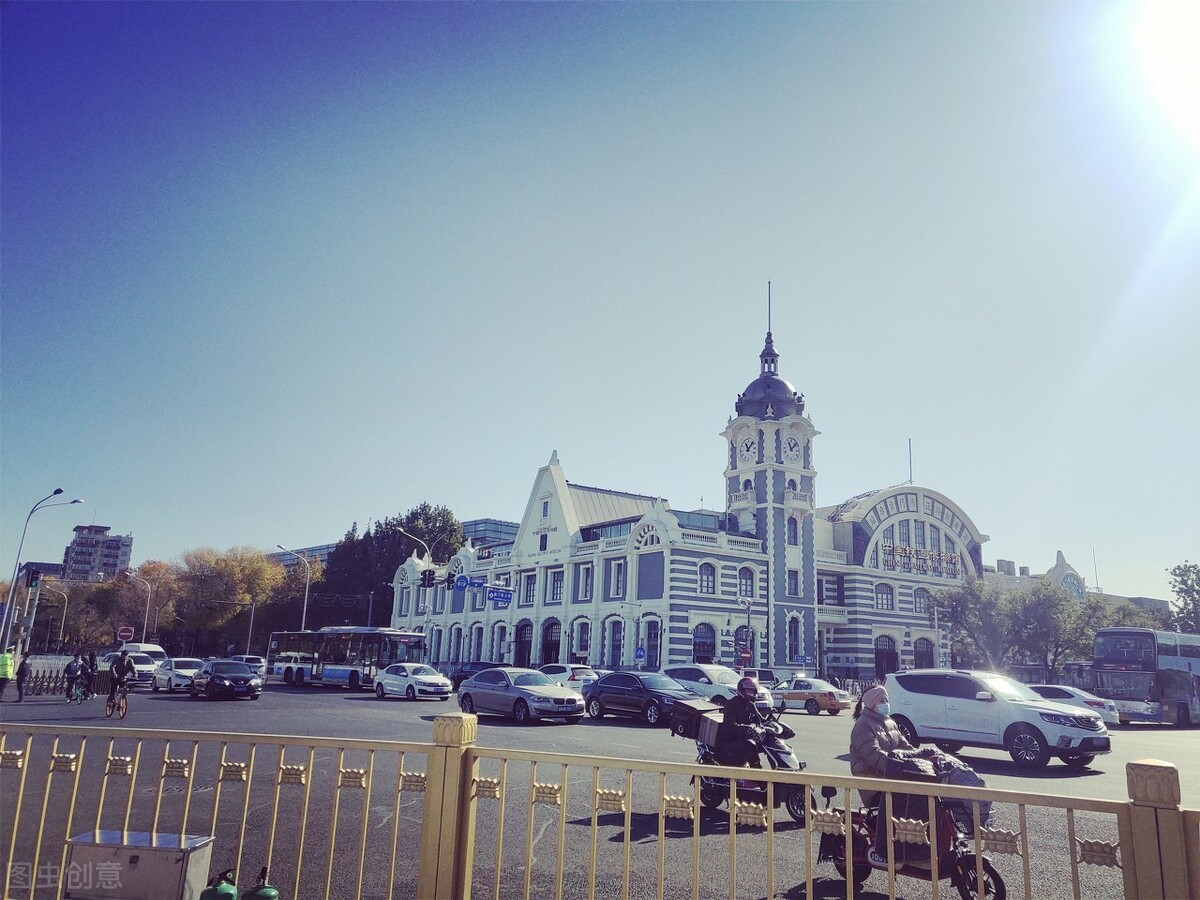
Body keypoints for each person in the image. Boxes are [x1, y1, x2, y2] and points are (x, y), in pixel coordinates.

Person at [849, 685, 935, 868]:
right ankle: (894, 852)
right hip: (874, 783)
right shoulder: (863, 725)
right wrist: (898, 766)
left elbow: (906, 748)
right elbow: (874, 756)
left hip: (892, 777)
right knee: (911, 801)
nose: (886, 704)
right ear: (872, 704)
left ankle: (918, 847)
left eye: (887, 700)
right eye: (882, 701)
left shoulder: (889, 722)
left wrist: (923, 758)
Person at [717, 676, 768, 771]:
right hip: (729, 742)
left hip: (743, 738)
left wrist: (773, 723)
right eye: (749, 691)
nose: (752, 694)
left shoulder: (750, 705)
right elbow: (729, 726)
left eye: (753, 692)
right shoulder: (731, 704)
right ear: (741, 690)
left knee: (768, 742)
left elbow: (760, 720)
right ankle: (757, 773)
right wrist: (747, 730)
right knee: (750, 745)